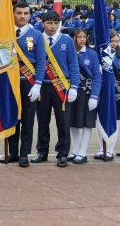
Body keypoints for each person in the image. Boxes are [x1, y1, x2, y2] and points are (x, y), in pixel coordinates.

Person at [1, 1, 46, 167]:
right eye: (19, 13)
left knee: (28, 120)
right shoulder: (5, 34)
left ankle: (24, 154)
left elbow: (41, 61)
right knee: (12, 117)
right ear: (13, 14)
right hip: (10, 82)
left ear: (30, 15)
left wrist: (38, 84)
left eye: (26, 13)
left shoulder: (36, 35)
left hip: (29, 83)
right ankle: (13, 152)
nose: (22, 16)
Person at [32, 11, 80, 168]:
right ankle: (42, 151)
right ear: (42, 23)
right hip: (43, 85)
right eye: (49, 23)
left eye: (55, 23)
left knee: (63, 121)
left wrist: (74, 86)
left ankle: (63, 153)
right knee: (42, 120)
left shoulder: (66, 40)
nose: (52, 26)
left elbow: (73, 64)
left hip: (62, 85)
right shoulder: (37, 39)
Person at [93, 30, 120, 160]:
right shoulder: (99, 55)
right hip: (101, 93)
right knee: (100, 120)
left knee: (112, 121)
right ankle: (101, 149)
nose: (114, 44)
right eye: (112, 41)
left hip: (117, 94)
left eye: (116, 41)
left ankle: (110, 150)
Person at [67, 29, 102, 164]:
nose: (82, 39)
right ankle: (75, 150)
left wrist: (94, 96)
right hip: (73, 92)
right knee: (72, 123)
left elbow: (97, 76)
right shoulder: (71, 54)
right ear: (74, 38)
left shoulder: (91, 54)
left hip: (87, 93)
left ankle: (83, 152)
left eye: (84, 37)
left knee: (87, 124)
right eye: (79, 37)